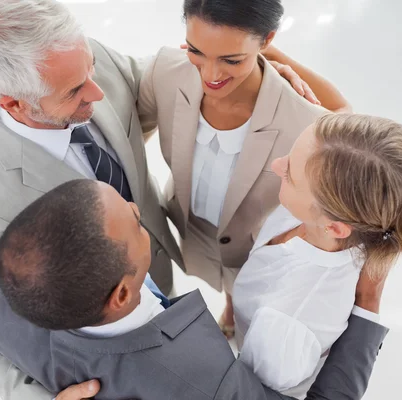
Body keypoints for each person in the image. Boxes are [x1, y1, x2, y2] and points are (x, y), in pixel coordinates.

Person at [0, 0, 320, 397]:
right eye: (76, 90)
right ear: (13, 102)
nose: (98, 90)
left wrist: (259, 73)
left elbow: (172, 76)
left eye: (90, 67)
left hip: (162, 268)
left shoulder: (84, 63)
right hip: (115, 335)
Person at [0, 132, 389, 399]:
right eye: (136, 226)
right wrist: (367, 305)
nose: (141, 209)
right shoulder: (203, 381)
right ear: (121, 293)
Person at [136, 0, 352, 336]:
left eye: (230, 59)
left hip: (254, 241)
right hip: (191, 222)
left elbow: (346, 125)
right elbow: (132, 132)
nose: (210, 75)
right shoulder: (165, 70)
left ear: (267, 40)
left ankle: (234, 309)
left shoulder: (305, 121)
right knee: (218, 273)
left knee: (243, 288)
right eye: (197, 51)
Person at [230, 114, 402, 398]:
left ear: (335, 226)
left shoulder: (289, 323)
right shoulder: (317, 206)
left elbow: (247, 390)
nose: (277, 164)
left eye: (290, 174)